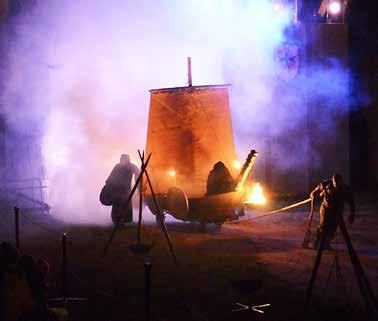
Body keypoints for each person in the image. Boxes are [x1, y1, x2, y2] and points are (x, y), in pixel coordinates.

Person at [310, 173, 356, 250]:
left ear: (341, 182)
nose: (336, 185)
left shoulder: (345, 189)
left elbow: (351, 202)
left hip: (337, 210)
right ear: (332, 181)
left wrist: (352, 214)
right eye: (335, 183)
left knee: (333, 227)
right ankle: (318, 243)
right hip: (326, 209)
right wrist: (313, 194)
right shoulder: (326, 184)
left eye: (338, 183)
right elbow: (316, 191)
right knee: (323, 226)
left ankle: (327, 243)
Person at [103, 154, 140, 226]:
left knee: (125, 205)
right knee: (117, 205)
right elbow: (111, 177)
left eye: (124, 159)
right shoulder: (118, 166)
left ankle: (123, 221)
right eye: (122, 159)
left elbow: (138, 175)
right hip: (117, 189)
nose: (123, 161)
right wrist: (108, 186)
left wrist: (139, 186)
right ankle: (117, 221)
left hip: (126, 190)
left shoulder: (132, 167)